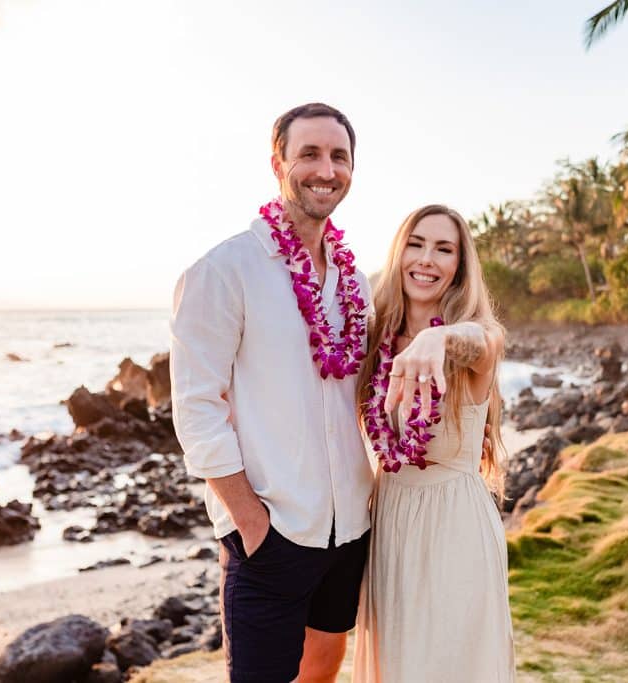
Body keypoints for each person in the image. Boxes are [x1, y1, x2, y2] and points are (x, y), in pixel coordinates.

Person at [169, 102, 374, 683]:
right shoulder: (225, 270)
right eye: (309, 153)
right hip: (272, 532)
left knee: (325, 669)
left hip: (349, 529)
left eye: (339, 156)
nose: (325, 169)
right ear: (278, 162)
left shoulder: (355, 282)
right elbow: (197, 408)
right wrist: (250, 521)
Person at [352, 205, 516, 682]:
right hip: (390, 520)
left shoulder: (474, 344)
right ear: (399, 251)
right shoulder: (374, 334)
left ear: (460, 268)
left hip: (453, 526)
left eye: (444, 249)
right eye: (416, 243)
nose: (426, 259)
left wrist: (438, 342)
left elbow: (485, 339)